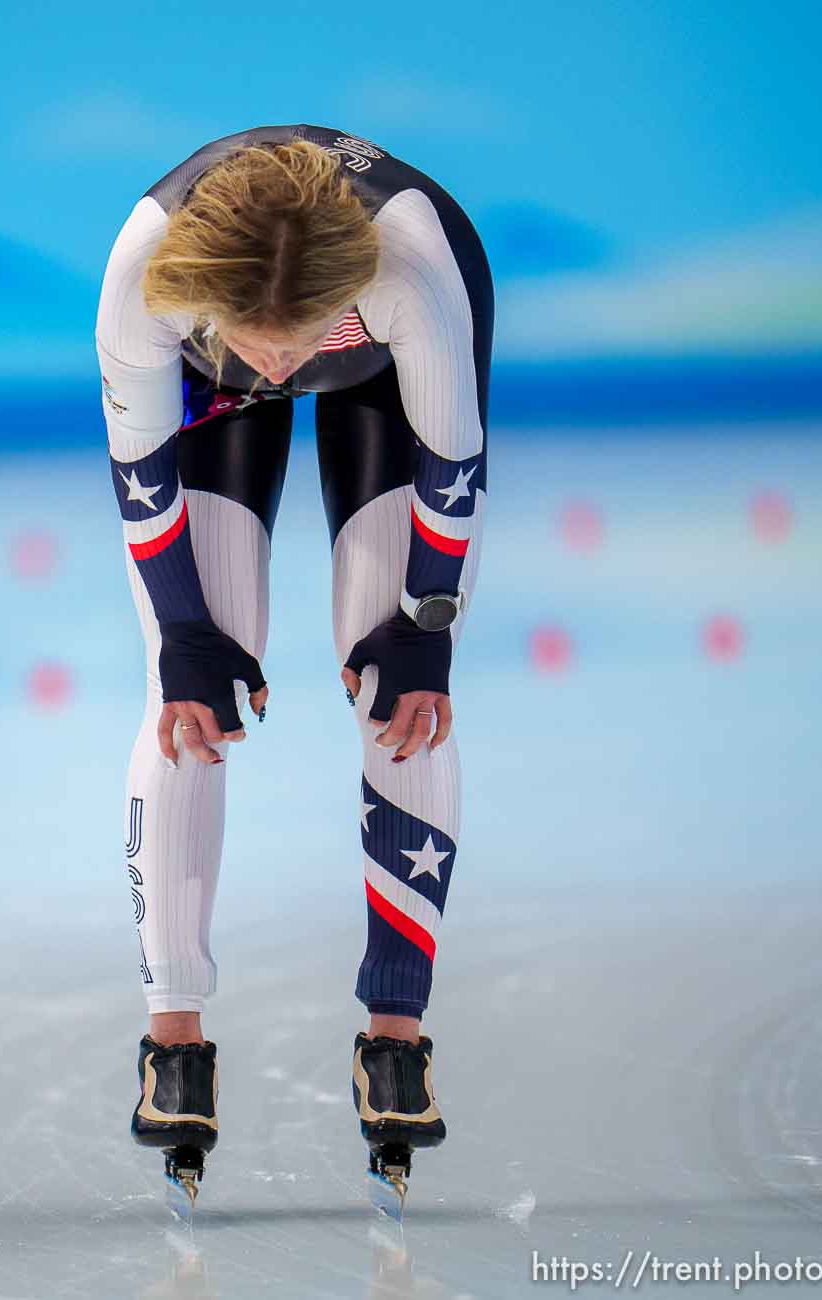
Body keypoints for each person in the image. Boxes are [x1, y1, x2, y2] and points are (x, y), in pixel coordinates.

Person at [97, 125, 491, 1203]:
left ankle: (396, 1035)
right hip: (201, 369)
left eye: (299, 337)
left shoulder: (411, 268)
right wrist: (185, 637)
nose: (280, 367)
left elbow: (455, 469)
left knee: (398, 693)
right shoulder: (145, 282)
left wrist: (427, 629)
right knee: (190, 701)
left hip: (380, 360)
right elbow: (143, 485)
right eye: (259, 342)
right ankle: (172, 1039)